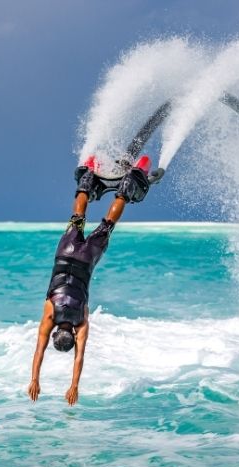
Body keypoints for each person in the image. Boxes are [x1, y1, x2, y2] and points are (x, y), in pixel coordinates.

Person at [27, 155, 153, 406]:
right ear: (54, 335)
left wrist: (74, 385)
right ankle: (88, 180)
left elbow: (79, 358)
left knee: (107, 225)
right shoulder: (49, 316)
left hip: (86, 260)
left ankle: (128, 186)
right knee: (77, 217)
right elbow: (38, 352)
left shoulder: (80, 322)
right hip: (66, 255)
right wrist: (34, 379)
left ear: (72, 336)